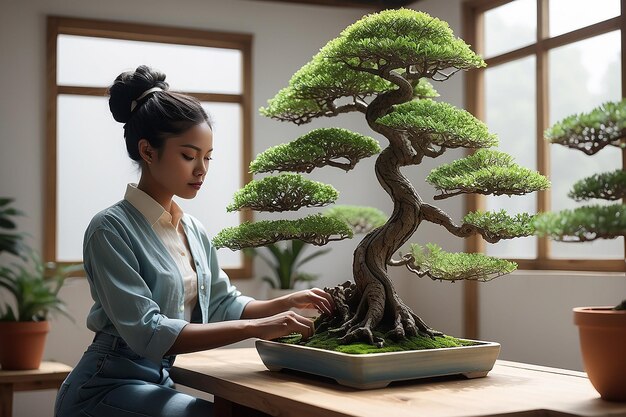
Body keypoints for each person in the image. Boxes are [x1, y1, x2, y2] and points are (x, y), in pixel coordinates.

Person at [54, 65, 334, 417]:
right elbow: (148, 331)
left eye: (208, 157)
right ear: (148, 151)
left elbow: (221, 304)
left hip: (161, 381)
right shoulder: (109, 229)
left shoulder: (193, 229)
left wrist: (284, 303)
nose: (201, 169)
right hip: (105, 386)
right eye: (189, 156)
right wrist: (260, 327)